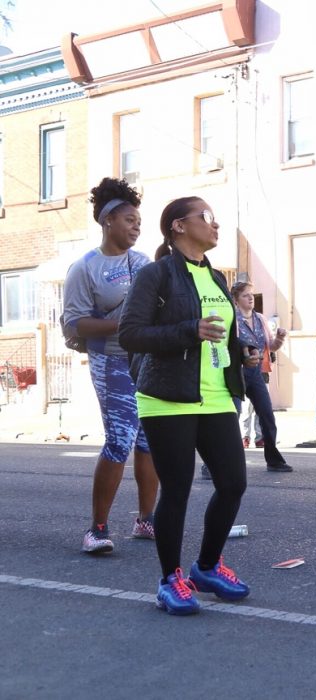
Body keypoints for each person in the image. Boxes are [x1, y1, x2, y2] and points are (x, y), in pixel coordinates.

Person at [119, 197, 252, 615]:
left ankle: (207, 567)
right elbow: (130, 334)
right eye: (207, 217)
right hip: (167, 397)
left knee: (232, 483)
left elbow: (218, 334)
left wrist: (240, 350)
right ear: (178, 226)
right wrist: (187, 330)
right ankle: (169, 579)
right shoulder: (156, 275)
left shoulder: (214, 277)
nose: (216, 225)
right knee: (176, 489)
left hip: (215, 396)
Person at [63, 176, 158, 554]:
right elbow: (74, 324)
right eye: (130, 220)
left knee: (149, 440)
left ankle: (145, 520)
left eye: (139, 221)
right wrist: (124, 325)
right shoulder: (85, 268)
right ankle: (97, 529)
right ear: (108, 222)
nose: (137, 227)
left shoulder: (145, 263)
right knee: (120, 438)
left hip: (145, 361)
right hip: (110, 359)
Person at [231, 281, 290, 471]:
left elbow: (269, 347)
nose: (250, 298)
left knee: (266, 414)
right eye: (245, 295)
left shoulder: (260, 319)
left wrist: (279, 339)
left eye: (251, 294)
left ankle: (274, 460)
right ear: (235, 299)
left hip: (256, 372)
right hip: (235, 371)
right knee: (231, 417)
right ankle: (213, 464)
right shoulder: (231, 318)